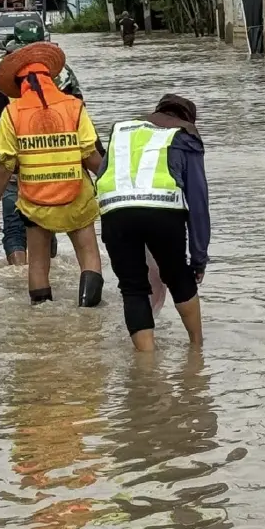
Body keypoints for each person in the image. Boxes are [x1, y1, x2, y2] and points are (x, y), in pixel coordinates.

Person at [0, 39, 105, 306]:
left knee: (37, 265)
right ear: (51, 78)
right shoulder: (73, 106)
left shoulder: (12, 112)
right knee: (89, 256)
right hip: (77, 198)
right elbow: (90, 155)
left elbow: (5, 163)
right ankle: (87, 315)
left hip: (35, 201)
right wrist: (115, 183)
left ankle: (42, 320)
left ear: (19, 85)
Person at [95, 94, 209, 352]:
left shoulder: (123, 130)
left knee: (133, 288)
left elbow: (102, 176)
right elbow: (198, 202)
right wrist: (199, 258)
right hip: (163, 210)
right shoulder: (185, 135)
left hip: (115, 211)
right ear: (187, 119)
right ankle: (197, 348)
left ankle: (146, 365)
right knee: (179, 277)